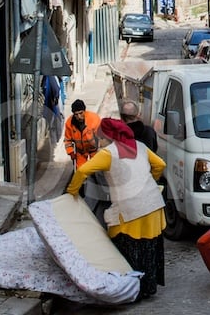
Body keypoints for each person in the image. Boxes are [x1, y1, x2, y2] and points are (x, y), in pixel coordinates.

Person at [68, 117, 167, 300]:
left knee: (123, 245)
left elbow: (82, 171)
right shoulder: (140, 146)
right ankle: (148, 286)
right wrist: (152, 180)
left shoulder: (108, 154)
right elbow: (160, 164)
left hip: (130, 209)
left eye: (101, 138)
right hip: (154, 204)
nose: (99, 142)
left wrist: (71, 193)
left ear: (108, 137)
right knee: (149, 245)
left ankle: (130, 288)